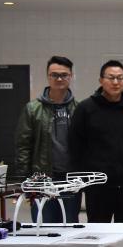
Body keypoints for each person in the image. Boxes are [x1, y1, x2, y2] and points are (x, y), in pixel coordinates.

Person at [68, 60, 123, 247]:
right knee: (97, 229)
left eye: (120, 78)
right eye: (111, 77)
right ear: (101, 80)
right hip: (97, 183)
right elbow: (75, 146)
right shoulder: (86, 109)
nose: (115, 82)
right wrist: (80, 178)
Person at [12, 55, 79, 223]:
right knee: (44, 225)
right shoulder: (32, 109)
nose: (59, 79)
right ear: (48, 76)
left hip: (71, 179)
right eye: (54, 75)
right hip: (42, 178)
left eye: (64, 75)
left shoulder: (79, 109)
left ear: (71, 76)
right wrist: (24, 181)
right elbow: (23, 146)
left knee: (69, 224)